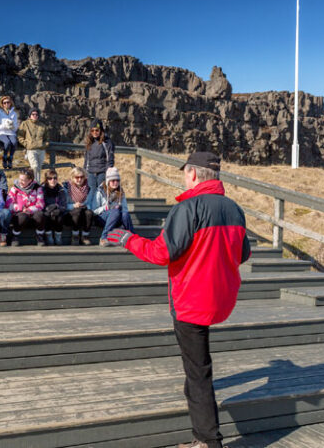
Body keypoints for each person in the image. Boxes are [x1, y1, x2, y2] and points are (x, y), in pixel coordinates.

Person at [105, 152, 251, 448]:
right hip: (220, 296)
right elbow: (243, 253)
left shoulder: (188, 208)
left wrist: (126, 239)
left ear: (194, 174)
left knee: (198, 372)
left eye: (185, 173)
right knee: (197, 367)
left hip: (192, 301)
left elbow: (161, 253)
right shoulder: (234, 209)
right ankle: (201, 425)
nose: (184, 177)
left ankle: (208, 441)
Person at [91, 167, 134, 247]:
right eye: (113, 180)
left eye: (117, 180)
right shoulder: (99, 191)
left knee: (125, 214)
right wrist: (106, 208)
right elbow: (94, 211)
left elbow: (125, 209)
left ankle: (132, 237)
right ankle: (104, 238)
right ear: (108, 181)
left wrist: (119, 207)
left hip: (116, 218)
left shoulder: (120, 192)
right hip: (101, 218)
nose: (115, 183)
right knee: (115, 211)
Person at [6, 167, 45, 247]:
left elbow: (40, 204)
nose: (20, 182)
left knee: (40, 215)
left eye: (23, 180)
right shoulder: (14, 188)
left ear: (30, 180)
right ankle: (15, 235)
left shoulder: (37, 188)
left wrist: (29, 210)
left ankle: (40, 235)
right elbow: (8, 204)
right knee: (22, 216)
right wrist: (20, 208)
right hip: (20, 214)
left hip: (33, 214)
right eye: (20, 179)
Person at [64, 166, 95, 245]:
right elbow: (63, 205)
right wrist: (73, 205)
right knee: (77, 211)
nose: (79, 179)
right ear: (72, 177)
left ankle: (85, 236)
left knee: (89, 213)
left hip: (84, 213)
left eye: (81, 177)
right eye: (76, 177)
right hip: (70, 214)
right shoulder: (66, 188)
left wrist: (85, 206)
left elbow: (91, 203)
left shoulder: (89, 188)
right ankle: (75, 235)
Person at [17, 107, 48, 183]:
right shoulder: (25, 124)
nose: (35, 116)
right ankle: (35, 184)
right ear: (30, 115)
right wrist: (26, 144)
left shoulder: (43, 126)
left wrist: (44, 145)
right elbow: (20, 136)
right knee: (34, 166)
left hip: (41, 150)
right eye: (33, 114)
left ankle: (35, 184)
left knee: (38, 168)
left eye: (36, 114)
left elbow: (47, 138)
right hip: (31, 150)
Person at [83, 119, 115, 189]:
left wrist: (108, 172)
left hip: (102, 173)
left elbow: (110, 158)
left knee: (101, 193)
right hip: (90, 173)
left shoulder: (107, 142)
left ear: (101, 130)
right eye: (92, 130)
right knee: (91, 194)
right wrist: (84, 172)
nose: (95, 132)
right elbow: (86, 159)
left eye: (97, 130)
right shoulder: (89, 142)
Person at [41, 169, 68, 245]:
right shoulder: (42, 189)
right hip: (46, 210)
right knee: (46, 216)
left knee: (59, 216)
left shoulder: (60, 189)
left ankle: (58, 236)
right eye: (50, 178)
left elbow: (64, 205)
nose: (53, 180)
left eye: (55, 178)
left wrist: (58, 208)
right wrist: (49, 208)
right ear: (46, 180)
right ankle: (48, 236)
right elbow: (40, 204)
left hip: (57, 210)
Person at [0, 95, 19, 169]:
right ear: (2, 104)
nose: (6, 104)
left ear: (10, 103)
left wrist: (12, 127)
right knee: (7, 142)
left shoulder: (14, 113)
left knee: (14, 142)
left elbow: (16, 125)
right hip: (1, 132)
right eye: (4, 103)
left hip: (11, 132)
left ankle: (10, 158)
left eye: (8, 102)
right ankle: (4, 158)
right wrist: (4, 126)